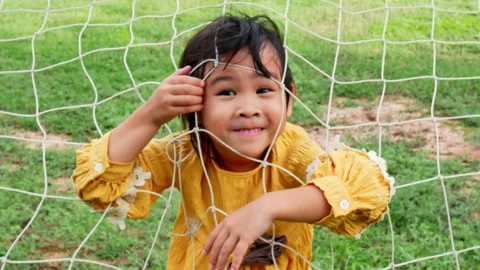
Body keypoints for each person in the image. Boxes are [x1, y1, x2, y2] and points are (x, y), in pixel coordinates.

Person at [72, 14, 395, 270]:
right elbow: (100, 186)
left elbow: (365, 189)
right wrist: (149, 116)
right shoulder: (187, 149)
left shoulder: (293, 151)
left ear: (289, 99)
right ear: (195, 103)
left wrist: (268, 207)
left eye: (264, 90)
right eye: (226, 92)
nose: (248, 109)